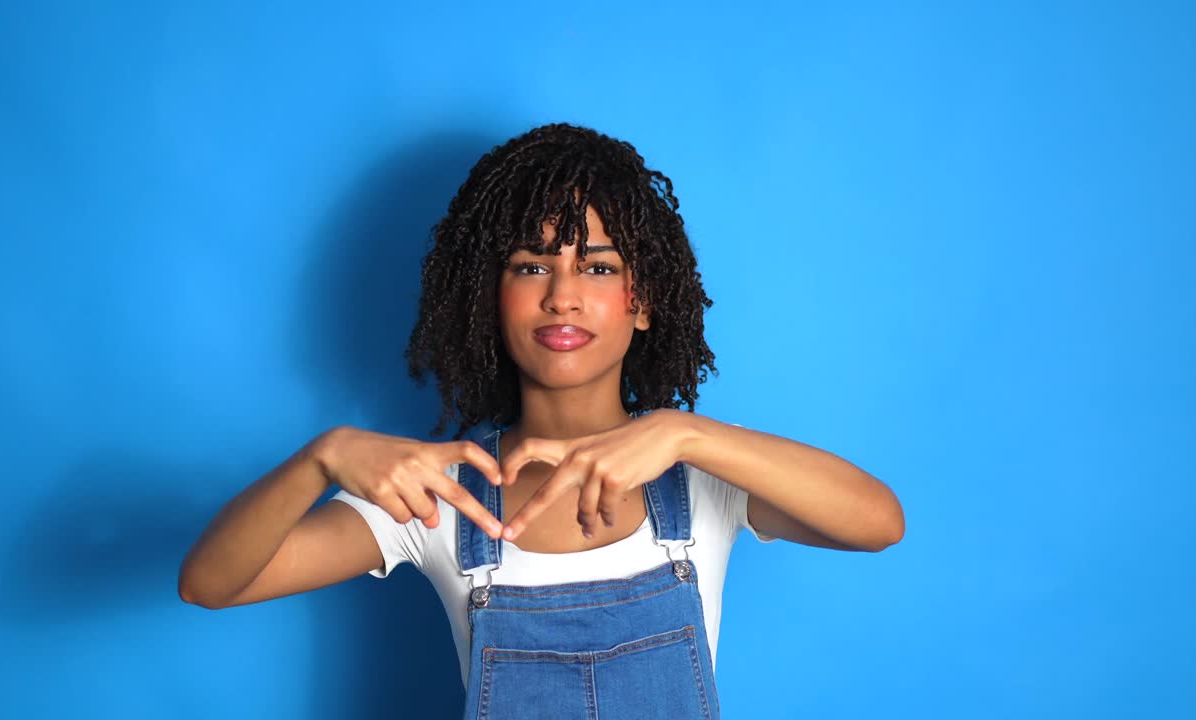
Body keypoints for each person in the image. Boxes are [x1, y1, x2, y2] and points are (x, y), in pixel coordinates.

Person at [178, 123, 905, 718]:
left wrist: (686, 433)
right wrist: (324, 456)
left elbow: (878, 522)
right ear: (488, 302)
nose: (562, 296)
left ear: (642, 302)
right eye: (531, 267)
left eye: (596, 268)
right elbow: (210, 582)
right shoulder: (438, 496)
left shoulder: (701, 480)